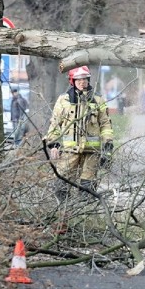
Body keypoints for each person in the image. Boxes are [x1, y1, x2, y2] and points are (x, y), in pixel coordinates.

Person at [44, 66, 114, 201]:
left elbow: (106, 124)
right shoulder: (63, 100)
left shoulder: (98, 100)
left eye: (85, 79)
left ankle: (83, 212)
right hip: (70, 150)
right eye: (79, 79)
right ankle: (66, 211)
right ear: (73, 81)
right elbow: (54, 123)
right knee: (60, 184)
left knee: (87, 188)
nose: (82, 82)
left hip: (92, 151)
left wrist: (107, 146)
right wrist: (54, 144)